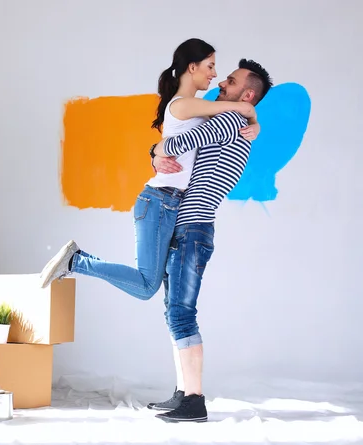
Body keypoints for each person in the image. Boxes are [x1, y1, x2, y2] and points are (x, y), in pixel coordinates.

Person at [38, 38, 259, 301]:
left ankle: (78, 260)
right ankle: (76, 262)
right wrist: (252, 117)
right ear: (192, 67)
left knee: (151, 286)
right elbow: (237, 109)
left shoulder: (197, 107)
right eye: (210, 66)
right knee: (146, 286)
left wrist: (254, 123)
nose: (215, 75)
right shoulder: (184, 104)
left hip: (168, 201)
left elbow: (225, 119)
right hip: (160, 200)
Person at [146, 59, 274, 423]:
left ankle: (195, 401)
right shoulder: (239, 118)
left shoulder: (230, 119)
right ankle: (183, 391)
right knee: (175, 314)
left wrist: (156, 151)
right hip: (190, 228)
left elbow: (187, 140)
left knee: (182, 315)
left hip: (192, 229)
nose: (221, 83)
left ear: (247, 94)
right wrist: (251, 116)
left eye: (230, 81)